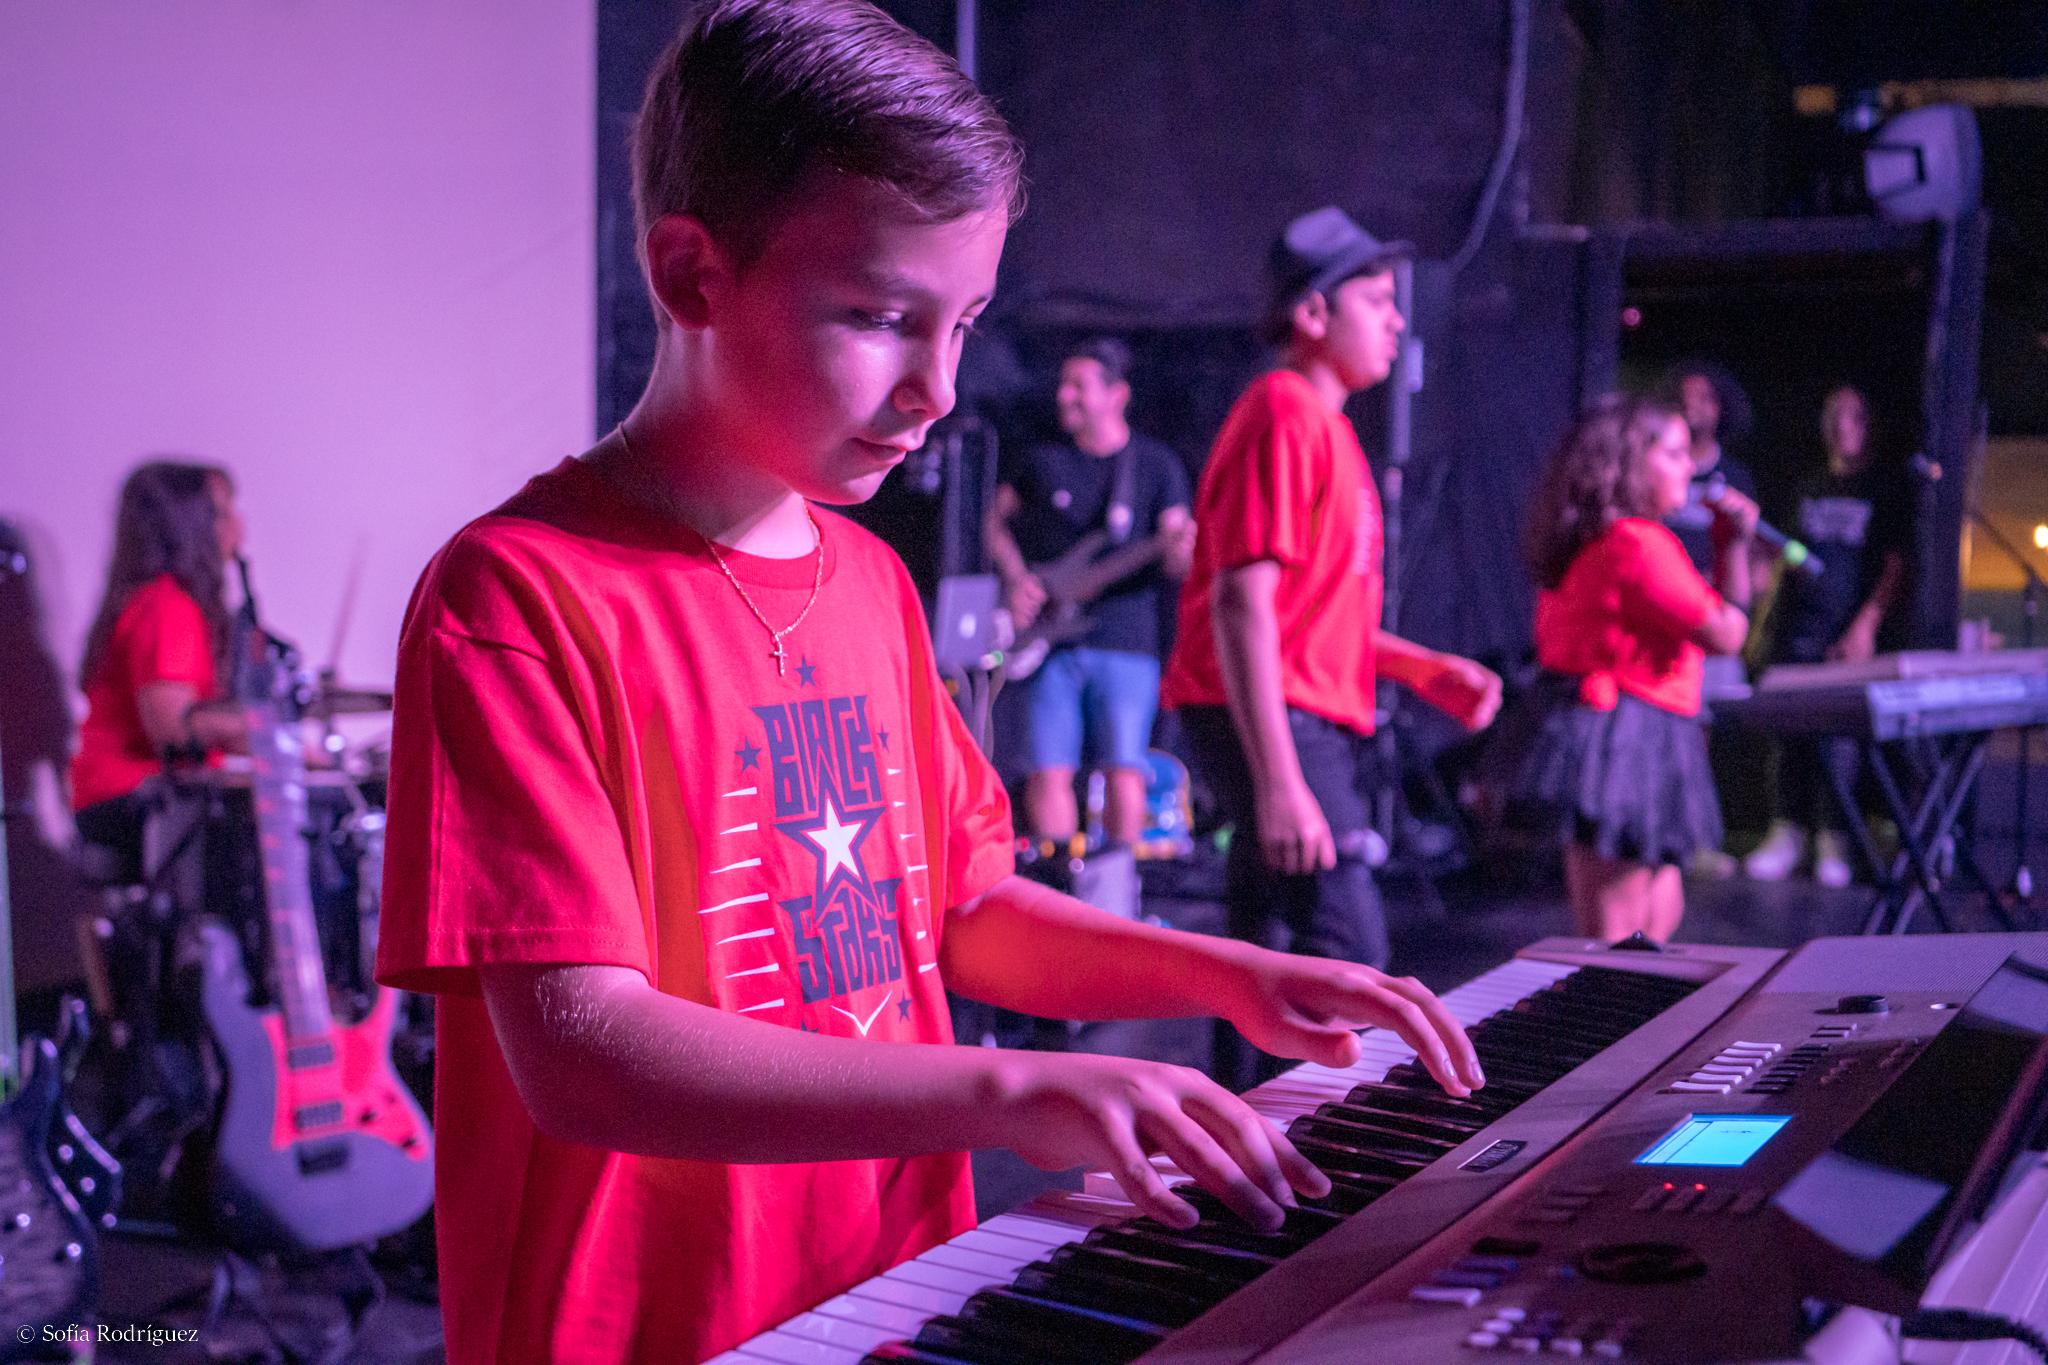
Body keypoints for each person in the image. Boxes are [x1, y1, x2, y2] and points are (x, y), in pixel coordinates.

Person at [371, 9, 1485, 1363]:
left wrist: (1233, 975)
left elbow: (959, 913)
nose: (939, 387)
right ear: (691, 273)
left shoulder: (872, 584)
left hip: (895, 1292)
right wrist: (1009, 1085)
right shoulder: (519, 596)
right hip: (653, 1330)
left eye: (961, 323)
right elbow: (585, 1050)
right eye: (883, 317)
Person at [1161, 205, 1502, 1091]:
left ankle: (1249, 1148)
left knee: (1269, 945)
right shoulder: (1284, 411)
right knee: (1351, 950)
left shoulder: (1328, 427)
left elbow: (1310, 614)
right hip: (1273, 719)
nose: (1397, 319)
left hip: (1289, 705)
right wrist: (1278, 784)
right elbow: (1241, 602)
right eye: (1378, 300)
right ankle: (1340, 1147)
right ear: (1313, 314)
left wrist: (1421, 668)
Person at [1493, 395, 1758, 943]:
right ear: (1633, 461)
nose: (1690, 466)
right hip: (1626, 737)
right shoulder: (1638, 543)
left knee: (1655, 916)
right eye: (1677, 453)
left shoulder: (1604, 538)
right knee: (1621, 930)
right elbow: (1727, 634)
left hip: (1631, 728)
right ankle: (1611, 1025)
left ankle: (1631, 1019)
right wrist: (1733, 548)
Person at [985, 336, 1194, 846]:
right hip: (1051, 640)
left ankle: (1118, 887)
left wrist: (1184, 549)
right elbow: (991, 519)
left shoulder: (1154, 466)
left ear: (1116, 395)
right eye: (1063, 384)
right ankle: (1063, 879)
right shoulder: (1043, 463)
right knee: (1047, 769)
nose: (1065, 396)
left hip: (1126, 641)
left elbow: (1177, 557)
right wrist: (1017, 580)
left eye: (1079, 386)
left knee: (1124, 767)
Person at [1743, 385, 1907, 887]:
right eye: (1833, 414)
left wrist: (1866, 625)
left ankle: (1835, 840)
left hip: (1847, 634)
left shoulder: (1883, 488)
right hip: (1799, 631)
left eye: (1853, 416)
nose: (1842, 425)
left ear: (1869, 424)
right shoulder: (1809, 485)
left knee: (1840, 741)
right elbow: (1795, 550)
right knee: (1790, 736)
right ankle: (1787, 834)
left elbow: (1896, 563)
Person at [70, 461, 250, 876]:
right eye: (223, 511)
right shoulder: (167, 606)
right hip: (129, 798)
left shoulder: (156, 602)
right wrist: (264, 734)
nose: (238, 523)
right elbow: (172, 725)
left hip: (117, 798)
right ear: (191, 524)